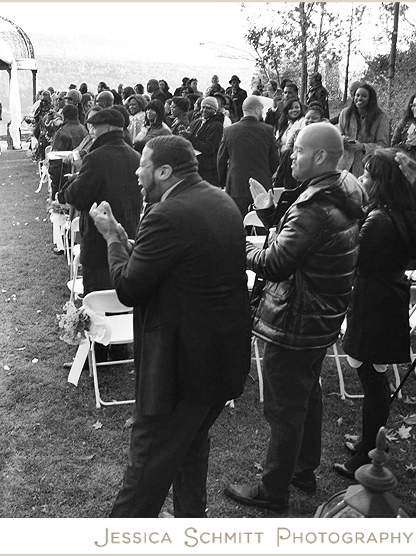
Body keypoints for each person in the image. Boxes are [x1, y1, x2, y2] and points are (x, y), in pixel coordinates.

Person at [89, 135, 249, 517]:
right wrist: (128, 241)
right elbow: (163, 270)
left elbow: (128, 288)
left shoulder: (168, 214)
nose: (136, 170)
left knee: (146, 469)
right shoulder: (219, 199)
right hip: (220, 360)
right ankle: (192, 523)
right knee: (191, 448)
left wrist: (111, 237)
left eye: (142, 163)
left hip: (179, 372)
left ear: (163, 171)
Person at [224, 123, 365, 512]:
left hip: (295, 319)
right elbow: (302, 248)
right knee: (307, 394)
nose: (290, 156)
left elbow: (276, 262)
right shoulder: (344, 190)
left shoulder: (313, 207)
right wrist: (270, 214)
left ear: (321, 156)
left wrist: (238, 247)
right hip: (322, 316)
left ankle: (273, 489)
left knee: (284, 407)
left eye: (298, 150)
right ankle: (301, 468)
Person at [333, 149, 416, 479]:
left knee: (372, 378)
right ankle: (371, 443)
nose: (362, 178)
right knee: (375, 374)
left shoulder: (379, 221)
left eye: (369, 175)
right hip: (391, 296)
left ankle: (367, 453)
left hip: (374, 301)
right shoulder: (409, 212)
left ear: (383, 182)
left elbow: (355, 261)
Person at [59, 108, 143, 363]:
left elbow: (79, 195)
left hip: (98, 237)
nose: (91, 132)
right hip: (129, 233)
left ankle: (97, 354)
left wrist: (73, 181)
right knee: (121, 287)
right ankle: (120, 348)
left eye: (94, 127)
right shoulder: (136, 156)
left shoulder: (95, 158)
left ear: (105, 128)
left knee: (96, 291)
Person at [217, 95, 279, 216]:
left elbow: (221, 160)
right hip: (261, 183)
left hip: (236, 184)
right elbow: (275, 160)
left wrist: (224, 181)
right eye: (261, 110)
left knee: (238, 222)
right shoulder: (268, 130)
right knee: (261, 223)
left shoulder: (229, 131)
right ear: (257, 110)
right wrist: (266, 174)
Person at [338, 84, 390, 176]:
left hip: (365, 168)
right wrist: (342, 139)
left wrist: (363, 146)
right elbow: (339, 134)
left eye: (364, 96)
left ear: (370, 99)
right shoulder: (345, 113)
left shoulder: (380, 117)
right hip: (343, 165)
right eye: (357, 95)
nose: (359, 98)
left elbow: (383, 145)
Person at [179, 96, 224, 186]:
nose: (204, 110)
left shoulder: (216, 126)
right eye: (203, 107)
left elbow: (209, 148)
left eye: (208, 108)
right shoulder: (197, 122)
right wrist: (184, 133)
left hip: (208, 169)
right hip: (194, 165)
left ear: (215, 110)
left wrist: (190, 137)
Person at [48, 104, 87, 200]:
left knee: (60, 205)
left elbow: (55, 158)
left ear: (64, 116)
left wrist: (54, 179)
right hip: (82, 171)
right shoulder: (84, 129)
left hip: (64, 174)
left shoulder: (62, 132)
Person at [391, 91, 416, 165]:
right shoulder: (404, 122)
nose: (415, 108)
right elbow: (392, 146)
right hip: (402, 167)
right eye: (413, 105)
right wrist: (406, 145)